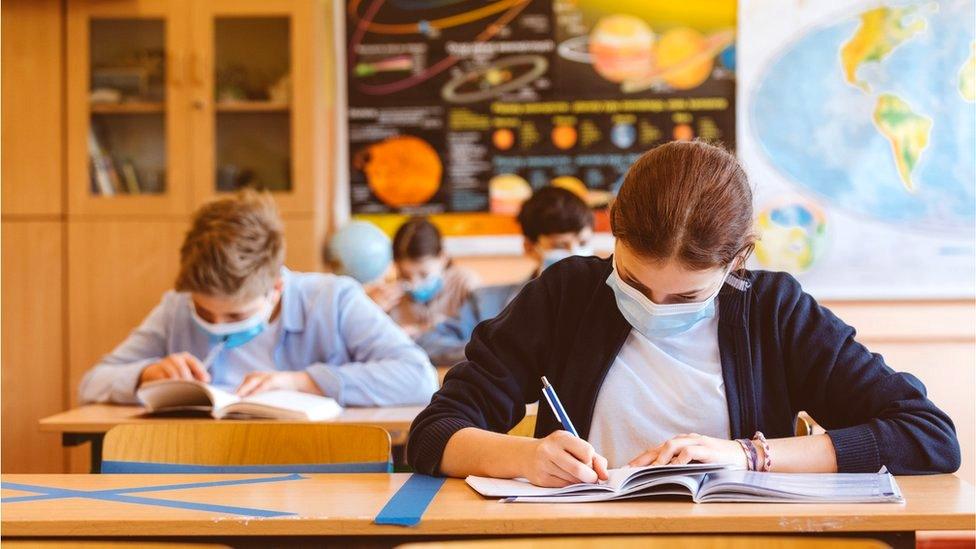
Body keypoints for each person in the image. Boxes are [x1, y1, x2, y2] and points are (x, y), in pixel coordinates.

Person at [407, 140, 960, 486]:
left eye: (687, 297)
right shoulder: (565, 294)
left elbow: (927, 436)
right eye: (632, 281)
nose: (652, 307)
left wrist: (749, 456)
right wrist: (523, 457)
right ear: (613, 230)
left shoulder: (774, 310)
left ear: (738, 261)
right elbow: (434, 434)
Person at [79, 190, 438, 406]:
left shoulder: (334, 299)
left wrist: (303, 382)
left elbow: (418, 377)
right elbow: (92, 382)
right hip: (200, 473)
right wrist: (145, 374)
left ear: (276, 288)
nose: (215, 325)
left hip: (318, 475)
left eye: (234, 317)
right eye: (204, 311)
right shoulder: (176, 307)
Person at [417, 186, 594, 365]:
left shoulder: (611, 298)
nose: (575, 254)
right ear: (530, 247)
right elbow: (431, 344)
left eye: (583, 242)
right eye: (559, 246)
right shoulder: (485, 302)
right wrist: (495, 352)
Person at [368, 216, 480, 339]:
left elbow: (479, 331)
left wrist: (422, 329)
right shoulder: (389, 297)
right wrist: (371, 310)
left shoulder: (464, 283)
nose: (415, 284)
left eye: (424, 274)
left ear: (443, 258)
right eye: (405, 275)